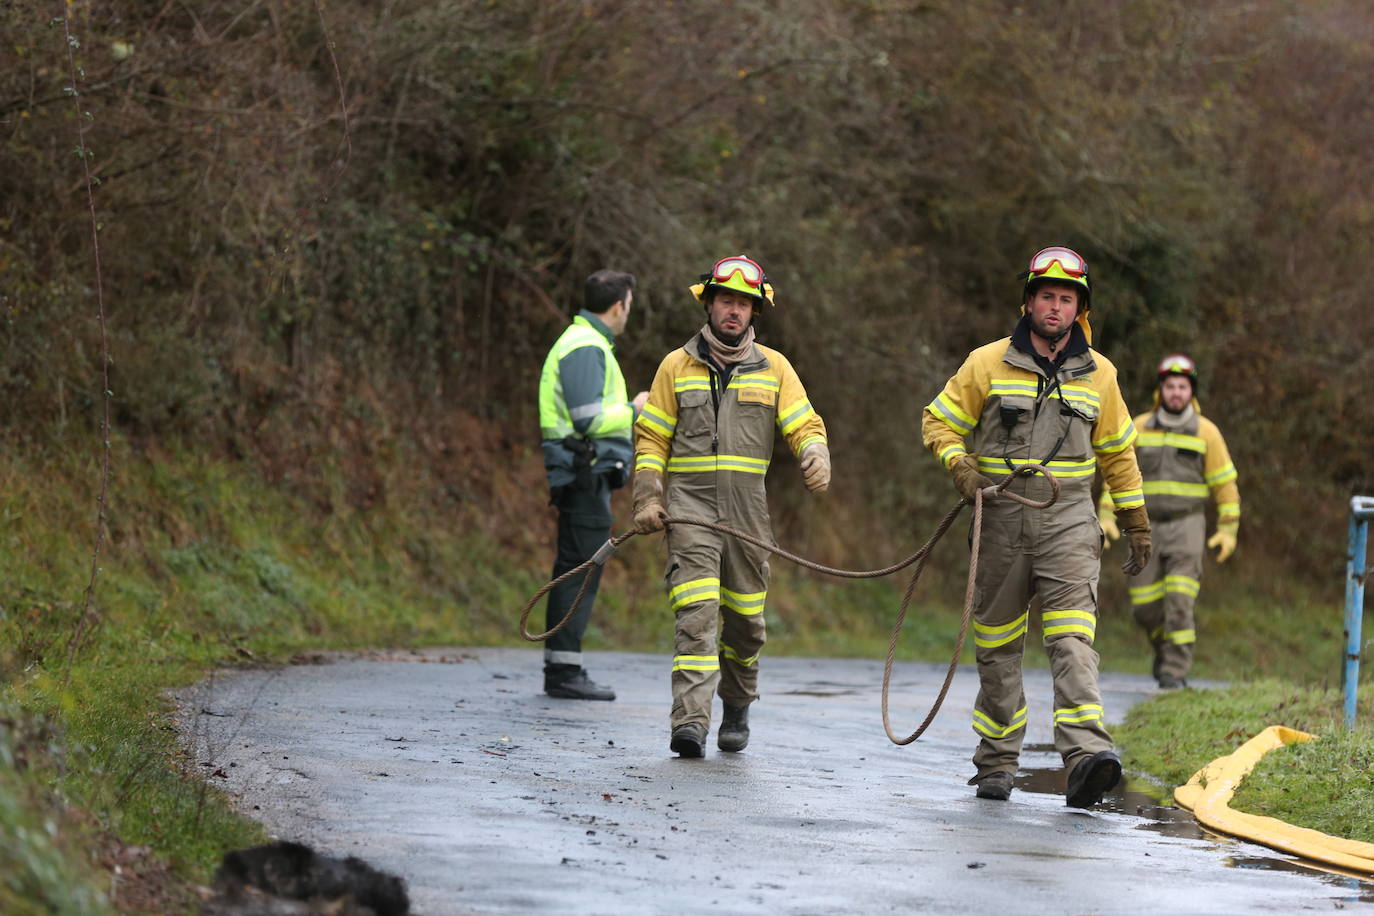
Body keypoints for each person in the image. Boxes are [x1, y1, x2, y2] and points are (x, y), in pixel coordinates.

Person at [921, 245, 1151, 808]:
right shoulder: (987, 363)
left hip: (1069, 520)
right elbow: (939, 422)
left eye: (1066, 298)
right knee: (998, 646)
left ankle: (1086, 759)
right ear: (1028, 301)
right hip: (999, 518)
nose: (1055, 306)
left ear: (1080, 308)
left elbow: (1119, 455)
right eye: (1046, 295)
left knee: (1073, 639)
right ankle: (997, 764)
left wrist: (1135, 519)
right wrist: (961, 468)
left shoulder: (1102, 376)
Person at [631, 255, 830, 757]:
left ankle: (736, 706)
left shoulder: (776, 369)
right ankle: (691, 724)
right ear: (709, 303)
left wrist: (814, 452)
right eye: (726, 301)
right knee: (696, 618)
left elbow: (804, 424)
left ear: (755, 313)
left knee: (745, 624)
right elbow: (651, 438)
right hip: (690, 512)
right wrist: (649, 496)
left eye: (744, 303)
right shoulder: (675, 366)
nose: (734, 311)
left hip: (748, 520)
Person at [537, 270, 649, 700]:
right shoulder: (585, 347)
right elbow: (588, 418)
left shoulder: (585, 342)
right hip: (583, 475)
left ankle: (561, 667)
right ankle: (564, 672)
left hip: (584, 474)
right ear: (620, 304)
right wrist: (634, 409)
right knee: (580, 570)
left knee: (576, 567)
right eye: (630, 304)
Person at [1098, 353, 1240, 689]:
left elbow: (1225, 483)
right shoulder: (1138, 426)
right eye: (1170, 386)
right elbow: (1117, 474)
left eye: (1183, 386)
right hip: (1144, 527)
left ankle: (1174, 672)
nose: (1176, 392)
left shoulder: (1207, 433)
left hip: (1187, 525)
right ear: (1160, 390)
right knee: (1143, 607)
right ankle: (1165, 650)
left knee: (1180, 599)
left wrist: (1228, 528)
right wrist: (1106, 515)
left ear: (1192, 392)